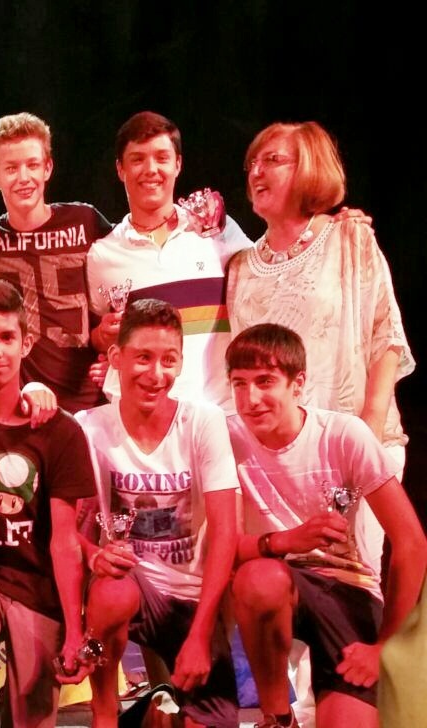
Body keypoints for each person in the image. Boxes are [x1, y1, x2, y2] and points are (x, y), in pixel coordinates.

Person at [225, 323, 426, 728]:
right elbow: (223, 546)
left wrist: (384, 647)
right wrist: (288, 540)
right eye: (239, 384)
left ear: (298, 384)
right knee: (259, 579)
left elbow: (411, 542)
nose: (251, 399)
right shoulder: (225, 437)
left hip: (346, 590)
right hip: (273, 583)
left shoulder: (343, 435)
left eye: (265, 382)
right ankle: (277, 718)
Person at [75, 298, 240, 728]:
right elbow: (61, 528)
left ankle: (153, 710)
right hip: (127, 588)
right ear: (116, 357)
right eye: (143, 357)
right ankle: (105, 713)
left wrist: (202, 633)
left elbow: (226, 531)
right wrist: (93, 553)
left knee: (210, 722)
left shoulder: (204, 422)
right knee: (110, 590)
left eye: (169, 360)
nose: (156, 374)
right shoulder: (88, 426)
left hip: (189, 598)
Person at [0, 279, 95, 727]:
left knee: (33, 717)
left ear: (26, 344)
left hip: (36, 589)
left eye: (7, 338)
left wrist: (75, 630)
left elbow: (64, 542)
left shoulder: (61, 431)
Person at [225, 121, 413, 457]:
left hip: (357, 445)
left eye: (272, 160)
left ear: (309, 167)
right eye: (252, 163)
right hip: (276, 456)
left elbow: (387, 336)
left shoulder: (349, 237)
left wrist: (368, 429)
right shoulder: (241, 267)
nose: (256, 172)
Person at [86, 111, 252, 410]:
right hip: (143, 420)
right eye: (138, 159)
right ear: (120, 169)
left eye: (161, 158)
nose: (151, 169)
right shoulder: (102, 256)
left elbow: (272, 268)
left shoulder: (217, 229)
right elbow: (100, 338)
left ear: (178, 164)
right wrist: (102, 336)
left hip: (221, 414)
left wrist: (325, 224)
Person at [0, 112, 113, 413]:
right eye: (11, 168)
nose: (23, 177)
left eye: (32, 165)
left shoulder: (84, 220)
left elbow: (134, 252)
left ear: (48, 168)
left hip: (90, 404)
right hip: (22, 405)